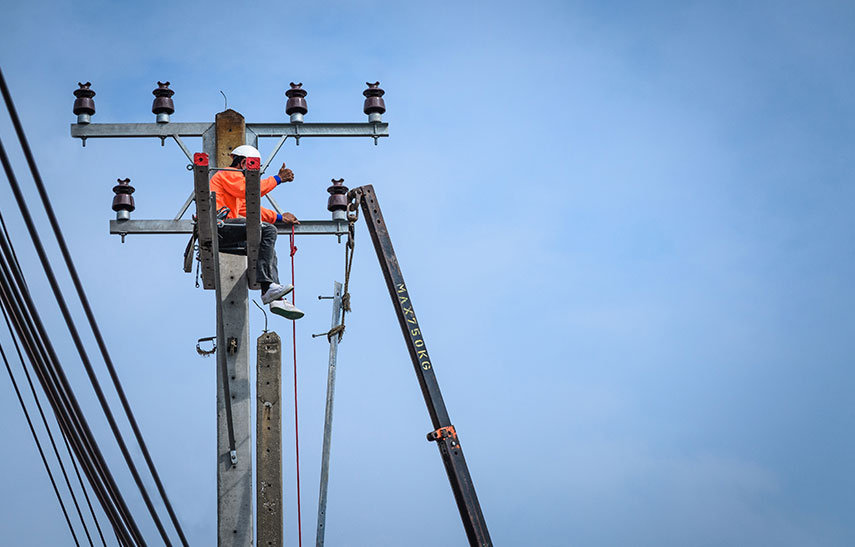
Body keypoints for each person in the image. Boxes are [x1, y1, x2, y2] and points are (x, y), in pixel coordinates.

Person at [209, 144, 304, 320]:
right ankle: (269, 287)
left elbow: (251, 210)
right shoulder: (227, 174)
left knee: (265, 245)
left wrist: (279, 217)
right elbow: (249, 192)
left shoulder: (233, 190)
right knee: (268, 231)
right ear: (244, 163)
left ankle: (273, 293)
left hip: (228, 229)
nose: (252, 177)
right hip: (222, 227)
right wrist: (277, 179)